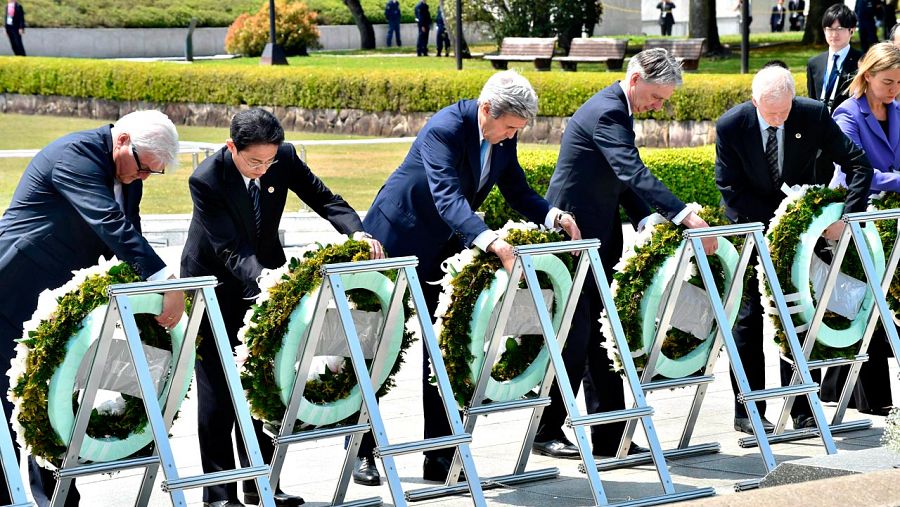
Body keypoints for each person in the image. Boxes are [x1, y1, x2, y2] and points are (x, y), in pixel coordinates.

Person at [363, 70, 581, 481]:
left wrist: (556, 216)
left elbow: (516, 189)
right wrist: (490, 240)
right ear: (486, 110)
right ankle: (362, 451)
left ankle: (440, 454)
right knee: (377, 347)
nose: (511, 136)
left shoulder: (502, 137)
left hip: (444, 248)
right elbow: (447, 196)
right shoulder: (445, 128)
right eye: (509, 127)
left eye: (519, 129)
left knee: (445, 348)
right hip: (396, 238)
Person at [182, 109, 384, 506]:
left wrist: (357, 232)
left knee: (262, 384)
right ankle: (219, 495)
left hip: (265, 279)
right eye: (254, 161)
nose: (263, 169)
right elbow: (229, 248)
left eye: (269, 161)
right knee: (219, 391)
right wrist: (268, 283)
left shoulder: (284, 158)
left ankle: (262, 486)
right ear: (231, 148)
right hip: (214, 284)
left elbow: (325, 199)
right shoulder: (205, 179)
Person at [531, 48, 718, 460]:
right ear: (635, 80)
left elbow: (621, 177)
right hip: (572, 240)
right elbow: (632, 170)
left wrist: (645, 218)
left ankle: (609, 436)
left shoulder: (618, 109)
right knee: (575, 340)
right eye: (657, 96)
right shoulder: (607, 112)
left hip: (598, 238)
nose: (659, 106)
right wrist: (685, 215)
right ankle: (546, 430)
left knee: (601, 335)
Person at [0, 110, 184, 506]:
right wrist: (164, 281)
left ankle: (56, 499)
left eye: (154, 172)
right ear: (122, 141)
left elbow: (126, 236)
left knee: (48, 400)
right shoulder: (75, 155)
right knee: (5, 402)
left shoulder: (128, 174)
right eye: (143, 168)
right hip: (12, 288)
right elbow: (109, 223)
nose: (144, 178)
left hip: (52, 303)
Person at [715, 64, 874, 435]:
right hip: (753, 229)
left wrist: (843, 217)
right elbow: (729, 189)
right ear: (754, 101)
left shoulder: (813, 114)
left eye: (784, 112)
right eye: (770, 114)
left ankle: (803, 404)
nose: (778, 119)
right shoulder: (731, 125)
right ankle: (748, 408)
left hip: (803, 235)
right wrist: (774, 229)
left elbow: (857, 163)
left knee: (801, 312)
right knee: (750, 317)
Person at [822, 42, 900, 417]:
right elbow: (854, 169)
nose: (894, 89)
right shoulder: (847, 113)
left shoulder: (899, 110)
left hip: (893, 216)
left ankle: (835, 385)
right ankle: (870, 396)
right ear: (867, 76)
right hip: (858, 214)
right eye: (887, 81)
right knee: (866, 303)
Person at [807, 4, 863, 185]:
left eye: (839, 29)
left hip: (845, 132)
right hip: (818, 134)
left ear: (851, 30)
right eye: (829, 29)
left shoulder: (861, 62)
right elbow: (811, 98)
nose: (834, 34)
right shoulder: (814, 63)